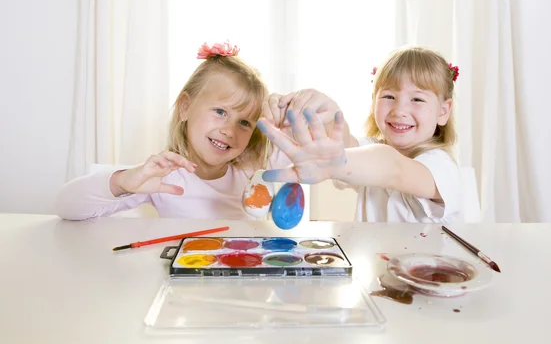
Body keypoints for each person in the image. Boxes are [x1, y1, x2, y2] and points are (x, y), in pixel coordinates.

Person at [55, 41, 290, 220]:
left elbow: (311, 148)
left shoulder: (255, 167)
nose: (229, 130)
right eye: (220, 112)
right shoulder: (162, 178)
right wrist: (123, 182)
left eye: (244, 123)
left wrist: (289, 115)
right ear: (185, 107)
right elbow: (67, 206)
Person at [259, 46, 462, 223]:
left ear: (443, 111)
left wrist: (336, 162)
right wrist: (325, 113)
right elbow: (346, 145)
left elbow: (392, 168)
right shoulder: (369, 148)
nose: (399, 110)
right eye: (389, 96)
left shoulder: (440, 166)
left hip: (430, 268)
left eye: (417, 99)